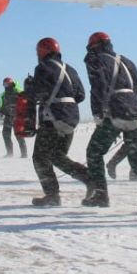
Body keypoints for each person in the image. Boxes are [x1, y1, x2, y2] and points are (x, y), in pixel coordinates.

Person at [83, 31, 137, 213]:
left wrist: (98, 114)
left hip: (115, 111)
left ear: (93, 46)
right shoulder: (126, 61)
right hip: (136, 111)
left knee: (94, 152)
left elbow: (97, 88)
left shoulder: (95, 60)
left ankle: (101, 195)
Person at [25, 37, 92, 207]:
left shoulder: (42, 68)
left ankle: (52, 195)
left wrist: (30, 87)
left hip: (52, 119)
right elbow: (81, 95)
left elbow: (37, 93)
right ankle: (89, 178)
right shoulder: (70, 69)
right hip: (71, 118)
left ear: (42, 52)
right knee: (57, 156)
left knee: (40, 158)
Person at [0, 77, 28, 158]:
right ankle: (9, 153)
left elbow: (25, 102)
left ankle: (24, 154)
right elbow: (0, 105)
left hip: (18, 117)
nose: (5, 86)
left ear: (10, 83)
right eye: (4, 84)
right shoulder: (3, 95)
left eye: (6, 84)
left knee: (19, 135)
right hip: (8, 117)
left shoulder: (19, 92)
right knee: (5, 134)